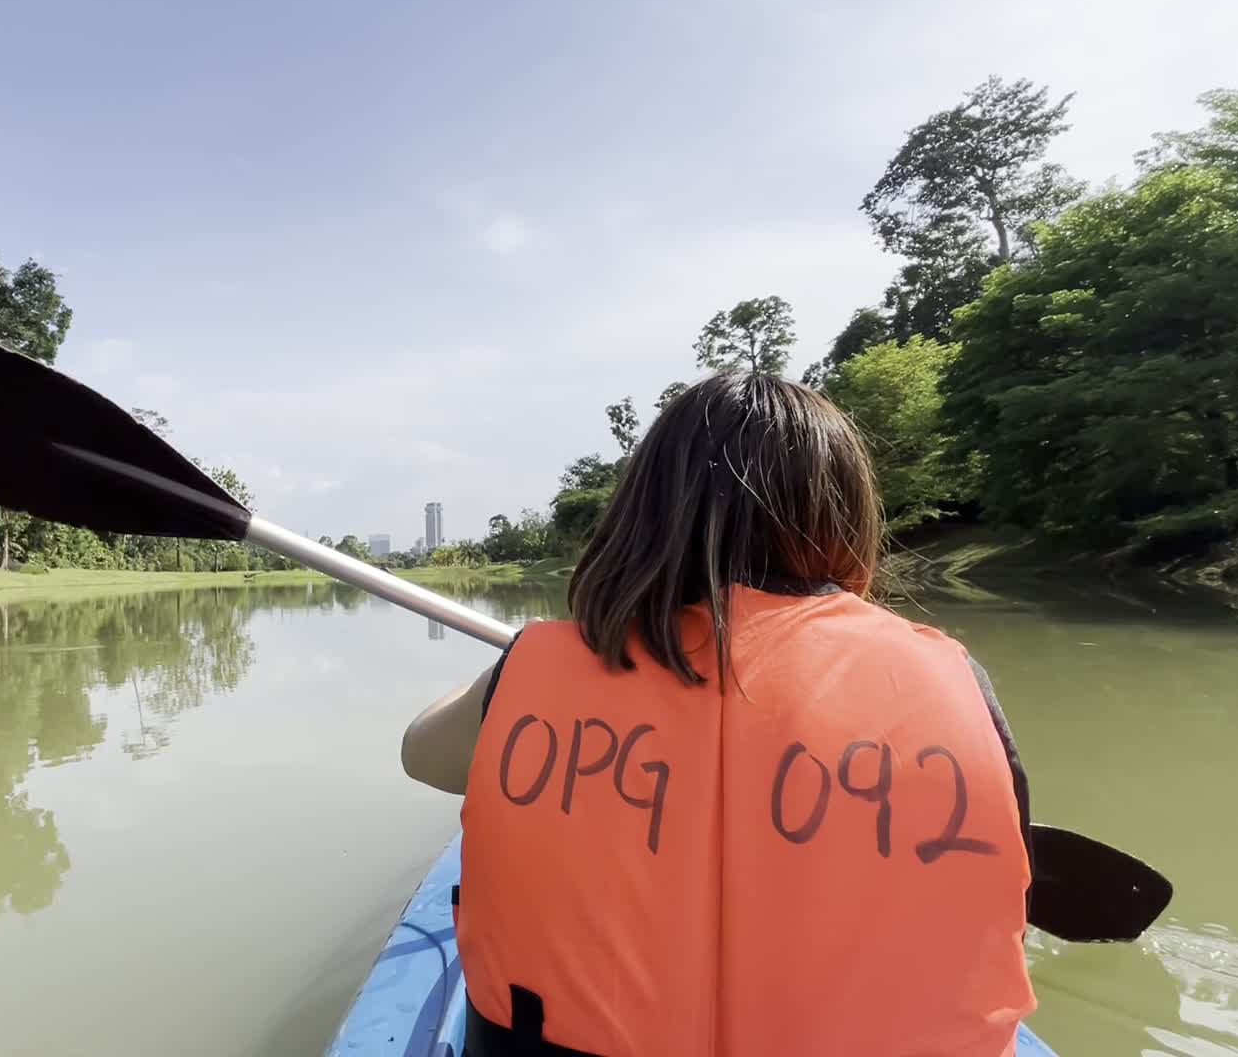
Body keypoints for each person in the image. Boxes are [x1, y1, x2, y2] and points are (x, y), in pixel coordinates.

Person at [401, 371, 1036, 1056]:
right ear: (844, 513)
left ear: (643, 510)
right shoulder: (952, 681)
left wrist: (519, 672)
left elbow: (421, 753)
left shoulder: (535, 667)